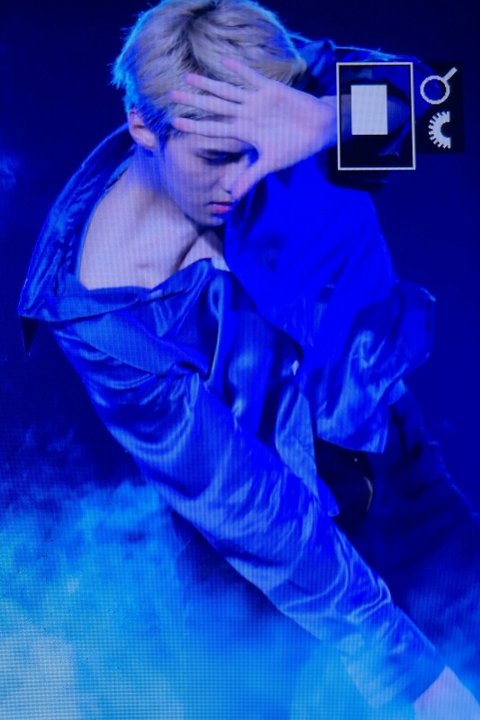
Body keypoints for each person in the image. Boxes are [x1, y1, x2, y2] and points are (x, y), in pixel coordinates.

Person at [18, 0, 480, 717]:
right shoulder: (106, 311)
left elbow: (437, 106)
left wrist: (326, 119)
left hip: (392, 462)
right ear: (144, 126)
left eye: (255, 151)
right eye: (214, 158)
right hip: (258, 568)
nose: (242, 180)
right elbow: (250, 503)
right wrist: (406, 671)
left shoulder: (267, 92)